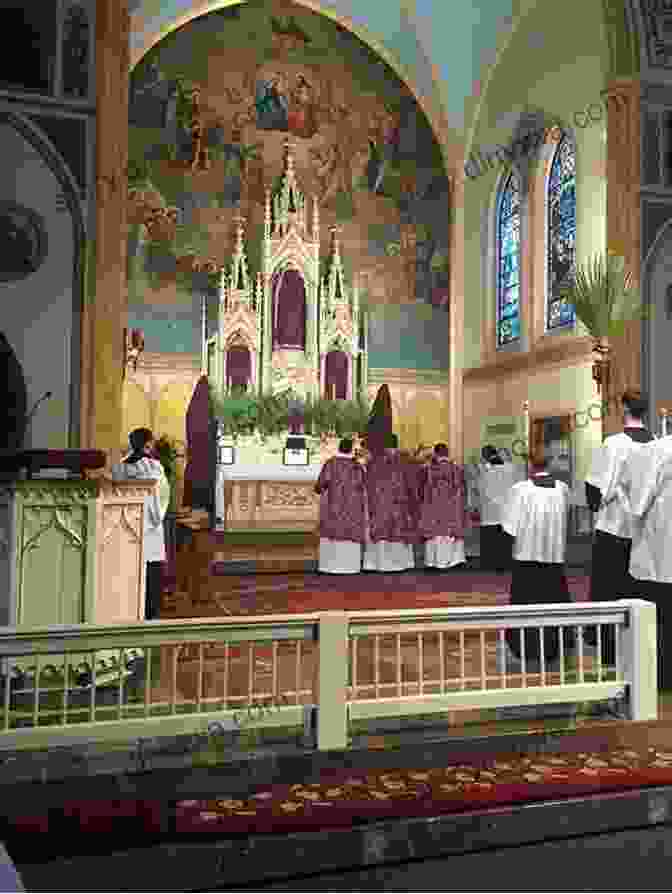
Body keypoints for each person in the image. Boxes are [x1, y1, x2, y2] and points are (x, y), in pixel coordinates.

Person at [584, 391, 654, 666]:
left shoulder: (613, 443)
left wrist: (597, 503)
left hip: (613, 529)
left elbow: (595, 490)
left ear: (624, 409)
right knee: (636, 593)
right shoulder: (658, 444)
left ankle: (608, 649)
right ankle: (636, 650)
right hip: (642, 533)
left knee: (607, 592)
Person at [501, 453, 574, 667]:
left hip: (527, 557)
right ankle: (555, 646)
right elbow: (567, 517)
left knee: (526, 604)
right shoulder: (562, 488)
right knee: (555, 602)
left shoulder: (521, 489)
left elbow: (509, 527)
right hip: (554, 557)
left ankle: (526, 646)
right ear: (549, 464)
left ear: (529, 465)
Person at [621, 431, 672, 691]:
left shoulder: (658, 450)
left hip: (659, 555)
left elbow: (638, 505)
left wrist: (622, 492)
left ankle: (659, 676)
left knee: (657, 623)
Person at [112, 428, 170, 620]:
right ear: (148, 443)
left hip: (125, 525)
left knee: (129, 572)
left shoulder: (119, 468)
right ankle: (150, 616)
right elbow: (162, 496)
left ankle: (128, 613)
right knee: (151, 577)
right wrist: (156, 515)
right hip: (150, 529)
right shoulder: (154, 467)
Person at [363, 433, 415, 572]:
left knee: (381, 533)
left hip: (380, 504)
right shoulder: (407, 460)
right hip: (400, 505)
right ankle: (401, 563)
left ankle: (378, 563)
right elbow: (412, 485)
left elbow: (367, 484)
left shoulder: (373, 461)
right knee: (399, 531)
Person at [314, 438, 367, 574]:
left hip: (333, 508)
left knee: (332, 533)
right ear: (351, 450)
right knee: (350, 534)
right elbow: (363, 486)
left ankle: (329, 566)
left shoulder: (330, 464)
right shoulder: (357, 467)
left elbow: (320, 486)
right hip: (352, 509)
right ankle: (350, 566)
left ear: (339, 448)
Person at [418, 443, 468, 570]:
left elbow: (423, 491)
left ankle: (434, 562)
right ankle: (454, 561)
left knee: (435, 536)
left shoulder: (428, 470)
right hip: (452, 508)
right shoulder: (457, 469)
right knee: (450, 534)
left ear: (436, 453)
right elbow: (462, 490)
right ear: (447, 453)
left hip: (434, 508)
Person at [478, 444, 518, 572]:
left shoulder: (484, 470)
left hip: (490, 510)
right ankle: (505, 564)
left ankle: (490, 564)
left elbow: (480, 489)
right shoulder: (510, 468)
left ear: (485, 456)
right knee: (505, 539)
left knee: (490, 540)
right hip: (506, 508)